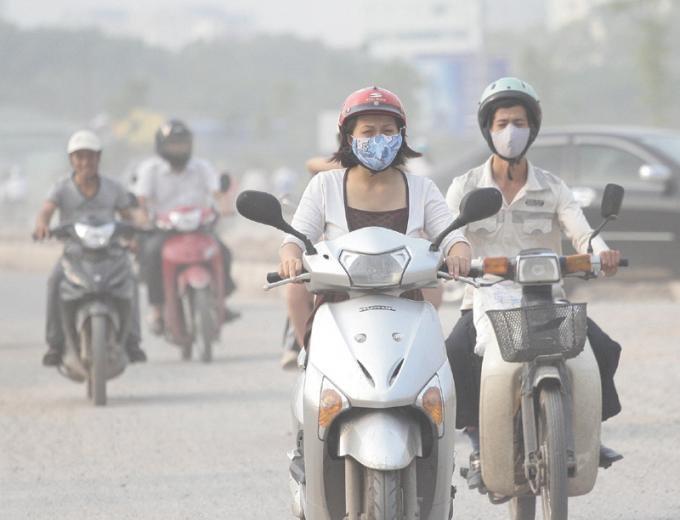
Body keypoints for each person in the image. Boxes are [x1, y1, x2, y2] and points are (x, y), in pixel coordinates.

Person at [444, 77, 624, 490]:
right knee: (453, 356)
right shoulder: (465, 188)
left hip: (547, 299)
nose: (511, 131)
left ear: (533, 128)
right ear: (488, 129)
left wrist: (603, 252)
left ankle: (586, 437)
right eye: (503, 122)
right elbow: (443, 232)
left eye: (520, 122)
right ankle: (476, 440)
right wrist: (450, 256)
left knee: (602, 349)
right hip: (485, 301)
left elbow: (583, 234)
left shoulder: (553, 187)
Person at [280, 85, 472, 351]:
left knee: (438, 380)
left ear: (401, 136)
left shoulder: (422, 188)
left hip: (408, 311)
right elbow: (296, 238)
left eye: (388, 131)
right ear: (348, 138)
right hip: (339, 311)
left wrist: (458, 253)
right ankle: (303, 357)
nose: (379, 139)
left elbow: (453, 235)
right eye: (368, 132)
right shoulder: (325, 185)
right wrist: (290, 257)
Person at [33, 130, 146, 366]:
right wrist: (42, 226)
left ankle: (133, 342)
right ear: (71, 160)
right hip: (75, 255)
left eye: (90, 156)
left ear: (99, 158)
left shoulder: (114, 188)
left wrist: (133, 237)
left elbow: (127, 218)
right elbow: (46, 210)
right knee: (55, 282)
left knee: (131, 281)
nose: (85, 162)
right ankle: (54, 345)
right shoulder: (61, 188)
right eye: (79, 157)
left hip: (111, 253)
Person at [134, 119, 239, 333]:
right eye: (173, 144)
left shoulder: (202, 167)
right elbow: (141, 201)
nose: (178, 148)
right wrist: (142, 216)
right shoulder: (150, 169)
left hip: (198, 227)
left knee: (223, 252)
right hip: (164, 230)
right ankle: (156, 309)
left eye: (182, 143)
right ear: (161, 146)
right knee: (152, 254)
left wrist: (225, 206)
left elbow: (217, 193)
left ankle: (221, 301)